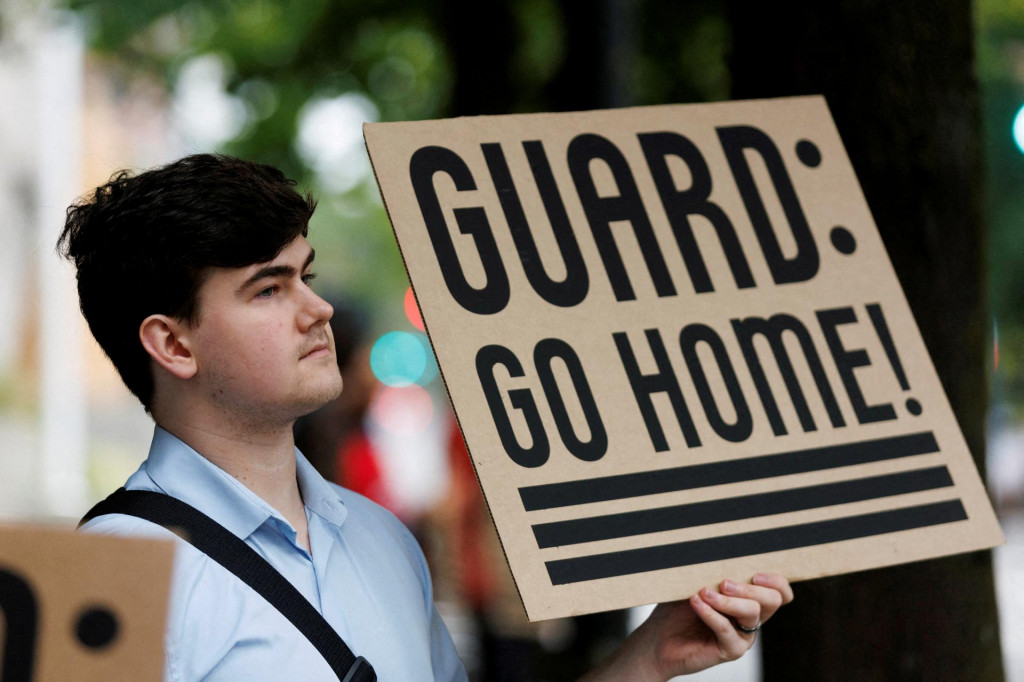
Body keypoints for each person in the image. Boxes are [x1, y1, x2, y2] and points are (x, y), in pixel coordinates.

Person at [63, 154, 793, 682]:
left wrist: (653, 655)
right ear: (172, 343)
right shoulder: (114, 572)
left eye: (306, 277)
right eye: (268, 289)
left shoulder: (380, 539)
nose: (317, 310)